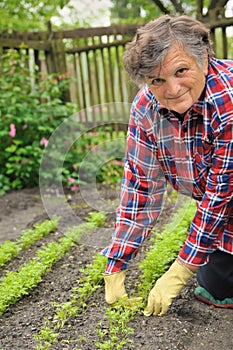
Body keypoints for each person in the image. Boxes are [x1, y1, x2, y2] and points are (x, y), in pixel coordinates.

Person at [101, 14, 233, 316]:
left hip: (225, 199)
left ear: (204, 58)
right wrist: (116, 262)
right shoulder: (146, 107)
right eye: (157, 79)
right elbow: (140, 185)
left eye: (181, 71)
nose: (171, 89)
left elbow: (220, 195)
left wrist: (178, 272)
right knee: (216, 286)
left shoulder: (228, 101)